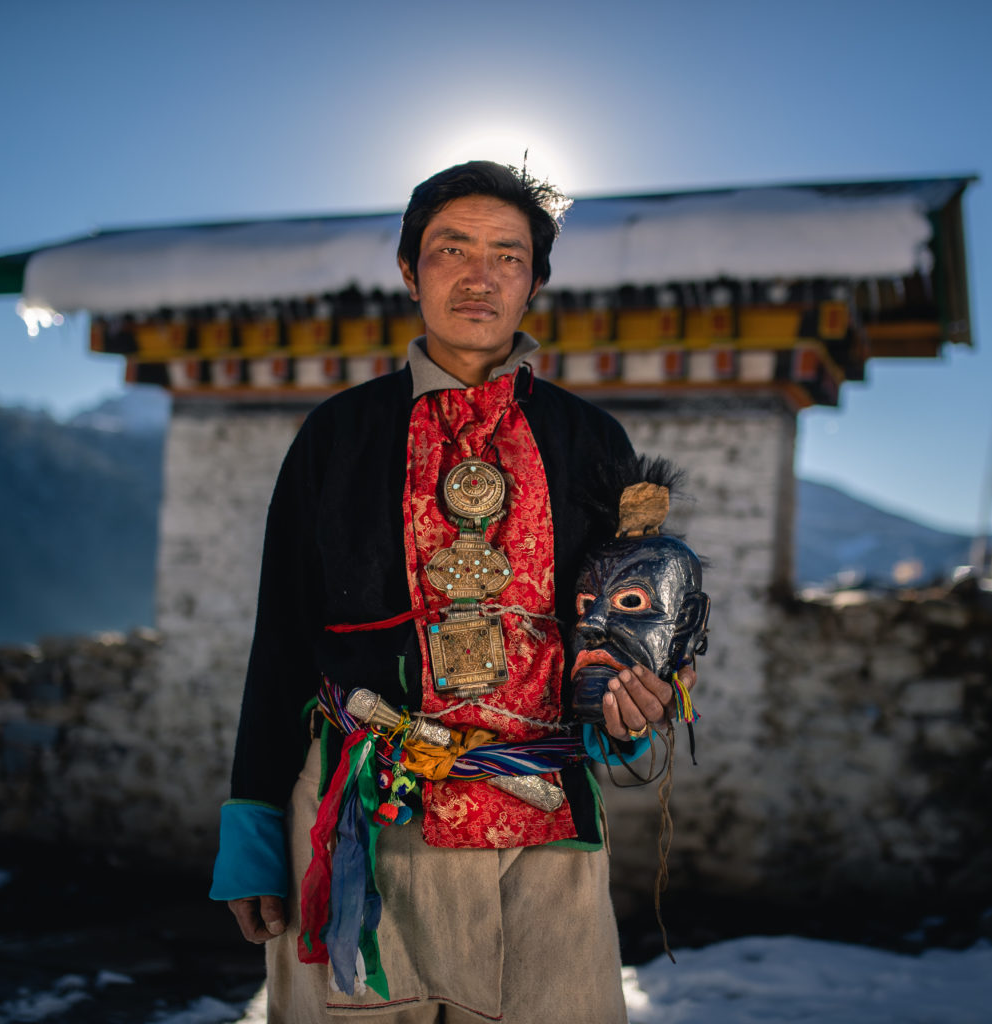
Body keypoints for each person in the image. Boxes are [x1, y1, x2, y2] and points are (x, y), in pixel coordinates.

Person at [209, 160, 692, 1023]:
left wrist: (632, 709)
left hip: (546, 838)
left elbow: (629, 625)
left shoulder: (591, 442)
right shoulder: (338, 437)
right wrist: (251, 832)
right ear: (410, 270)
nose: (480, 275)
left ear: (536, 281)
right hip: (366, 827)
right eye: (452, 248)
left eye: (508, 255)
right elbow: (281, 637)